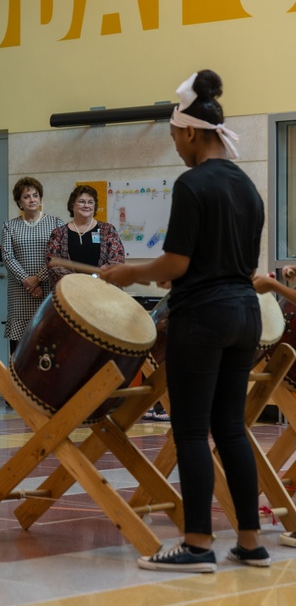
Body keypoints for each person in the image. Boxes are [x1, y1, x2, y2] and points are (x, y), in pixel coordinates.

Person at [100, 70, 270, 572]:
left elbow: (176, 264)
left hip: (205, 315)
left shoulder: (193, 183)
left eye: (175, 136)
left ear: (192, 132)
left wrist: (128, 272)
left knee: (192, 430)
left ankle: (197, 544)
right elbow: (217, 261)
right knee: (232, 430)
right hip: (244, 314)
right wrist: (173, 274)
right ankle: (250, 541)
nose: (175, 146)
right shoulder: (248, 186)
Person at [1, 177, 64, 354]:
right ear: (19, 202)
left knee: (47, 346)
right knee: (20, 352)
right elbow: (7, 256)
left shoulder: (56, 223)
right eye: (26, 196)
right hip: (19, 293)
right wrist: (27, 282)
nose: (32, 199)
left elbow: (58, 256)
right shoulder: (10, 225)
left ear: (41, 199)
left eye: (35, 195)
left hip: (46, 290)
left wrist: (37, 279)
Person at [45, 185, 125, 286]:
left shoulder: (108, 230)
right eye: (81, 201)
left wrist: (94, 278)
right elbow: (53, 263)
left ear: (94, 206)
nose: (86, 205)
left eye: (90, 202)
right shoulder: (58, 233)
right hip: (71, 292)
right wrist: (78, 283)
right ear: (72, 205)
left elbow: (117, 260)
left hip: (103, 290)